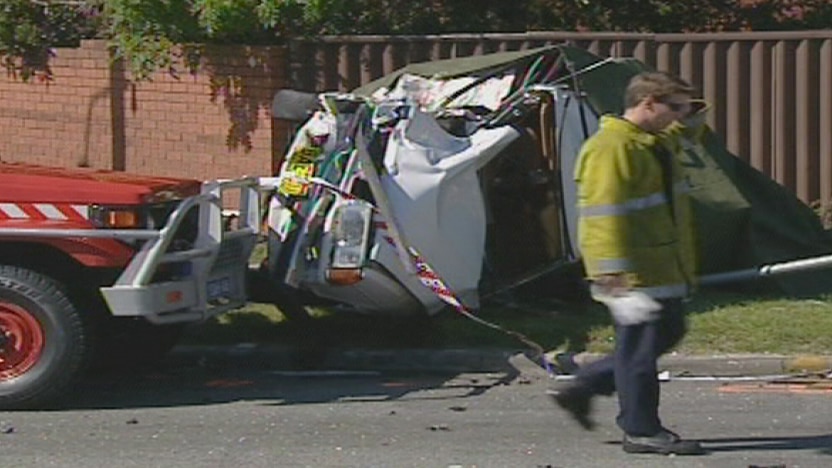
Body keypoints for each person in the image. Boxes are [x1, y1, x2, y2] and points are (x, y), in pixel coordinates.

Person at [552, 71, 708, 456]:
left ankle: (584, 387)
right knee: (639, 353)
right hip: (632, 274)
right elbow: (600, 221)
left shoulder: (650, 142)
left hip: (660, 267)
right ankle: (641, 429)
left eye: (685, 109)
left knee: (665, 333)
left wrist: (691, 112)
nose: (681, 116)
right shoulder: (611, 149)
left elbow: (683, 134)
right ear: (648, 103)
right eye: (674, 107)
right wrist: (612, 284)